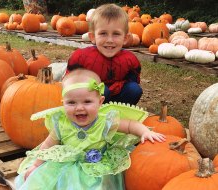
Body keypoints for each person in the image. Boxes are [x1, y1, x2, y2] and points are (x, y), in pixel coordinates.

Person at [15, 68, 165, 190]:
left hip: (97, 170)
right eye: (71, 102)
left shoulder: (105, 122)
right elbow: (48, 145)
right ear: (63, 103)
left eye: (87, 102)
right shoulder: (62, 123)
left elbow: (130, 125)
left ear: (100, 102)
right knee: (49, 182)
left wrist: (145, 131)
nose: (79, 108)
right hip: (66, 167)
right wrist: (36, 165)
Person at [66, 3, 143, 105]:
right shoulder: (82, 57)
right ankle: (95, 116)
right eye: (103, 33)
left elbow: (132, 80)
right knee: (103, 90)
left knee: (134, 89)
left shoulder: (130, 60)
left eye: (116, 34)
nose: (110, 40)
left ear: (125, 38)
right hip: (89, 99)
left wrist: (116, 87)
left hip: (117, 96)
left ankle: (120, 113)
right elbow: (70, 82)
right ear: (93, 37)